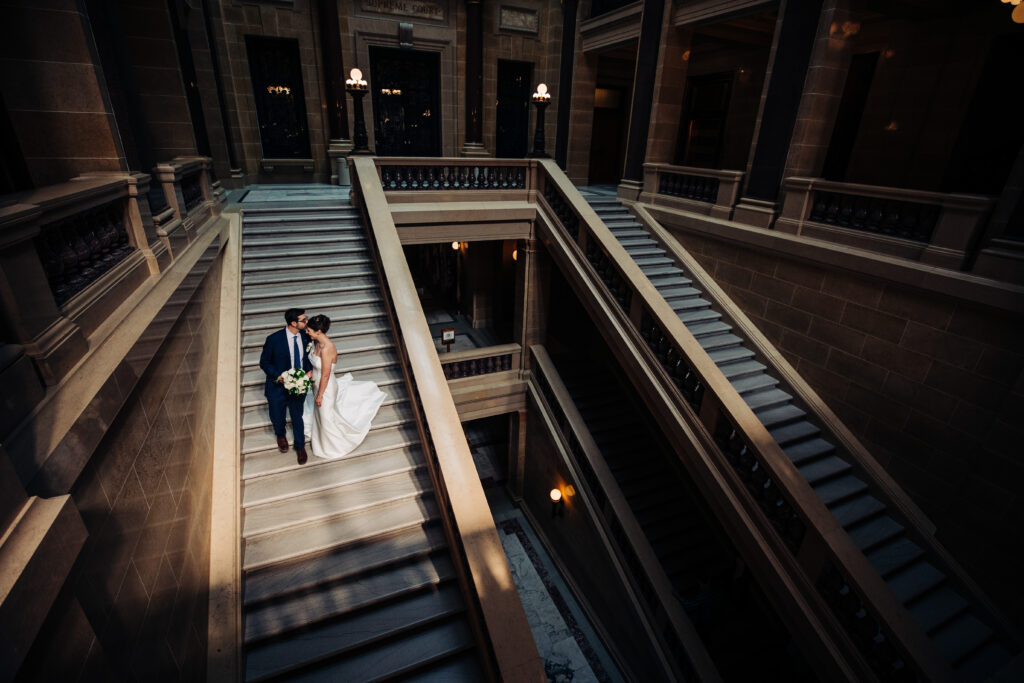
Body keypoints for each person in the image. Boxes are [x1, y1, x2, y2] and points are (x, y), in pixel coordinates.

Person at [304, 314, 387, 459]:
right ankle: (322, 443)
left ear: (318, 331)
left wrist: (320, 395)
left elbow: (325, 374)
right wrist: (310, 374)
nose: (307, 332)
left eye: (309, 330)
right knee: (322, 417)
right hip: (316, 384)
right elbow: (317, 367)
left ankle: (335, 446)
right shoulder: (316, 343)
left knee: (326, 417)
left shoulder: (327, 348)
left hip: (326, 387)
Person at [259, 308, 312, 465]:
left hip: (299, 385)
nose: (307, 322)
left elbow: (307, 358)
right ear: (293, 323)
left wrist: (309, 372)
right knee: (277, 414)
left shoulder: (306, 338)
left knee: (297, 415)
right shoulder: (274, 339)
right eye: (304, 320)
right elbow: (264, 363)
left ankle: (300, 446)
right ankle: (280, 434)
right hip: (278, 386)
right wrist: (279, 376)